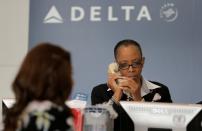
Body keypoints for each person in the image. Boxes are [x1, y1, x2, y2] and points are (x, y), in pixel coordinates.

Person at [91, 39, 172, 131]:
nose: (130, 70)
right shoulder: (99, 92)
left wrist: (138, 98)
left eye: (135, 63)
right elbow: (99, 127)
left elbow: (161, 129)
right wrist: (117, 94)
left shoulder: (160, 91)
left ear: (142, 62)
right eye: (124, 64)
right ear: (116, 65)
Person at [3, 43, 74, 131]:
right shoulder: (58, 116)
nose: (72, 81)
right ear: (58, 79)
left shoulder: (14, 114)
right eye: (70, 74)